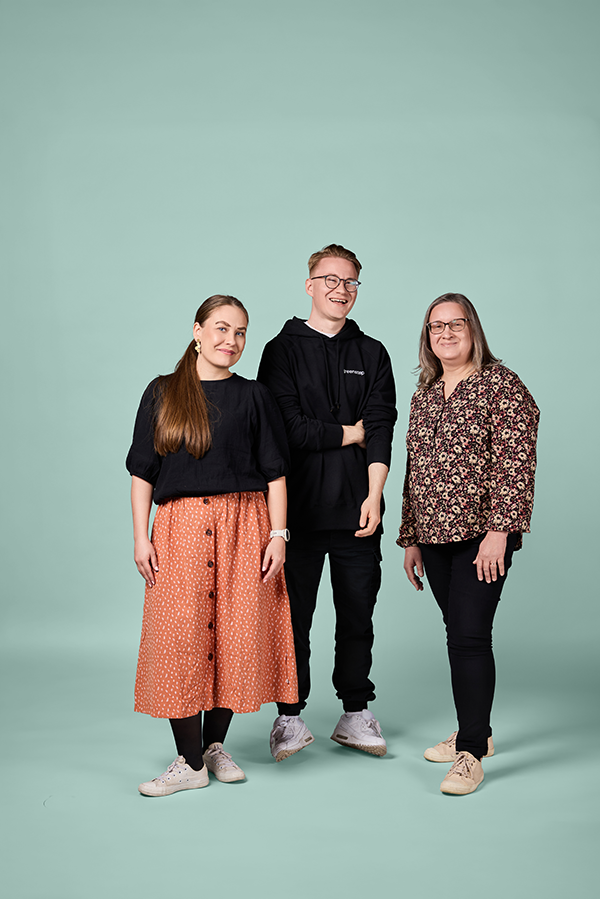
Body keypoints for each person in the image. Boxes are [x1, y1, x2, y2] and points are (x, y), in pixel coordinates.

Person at [126, 295, 298, 796]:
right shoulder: (162, 392)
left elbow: (276, 473)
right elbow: (142, 472)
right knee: (179, 638)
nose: (232, 340)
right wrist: (140, 537)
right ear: (197, 331)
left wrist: (278, 535)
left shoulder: (254, 396)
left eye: (241, 332)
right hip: (178, 527)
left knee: (235, 636)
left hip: (246, 525)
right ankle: (189, 762)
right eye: (222, 328)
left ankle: (211, 747)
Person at [258, 244, 397, 760]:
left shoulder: (372, 353)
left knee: (358, 615)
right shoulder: (281, 350)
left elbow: (381, 428)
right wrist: (348, 433)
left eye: (350, 282)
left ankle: (355, 712)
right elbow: (287, 429)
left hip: (359, 509)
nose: (341, 290)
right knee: (293, 619)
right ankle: (289, 717)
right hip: (295, 514)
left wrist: (375, 496)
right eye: (330, 280)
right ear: (310, 286)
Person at [398, 293, 539, 795]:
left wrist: (500, 531)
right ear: (427, 337)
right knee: (458, 631)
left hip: (484, 535)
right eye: (436, 326)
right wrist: (410, 537)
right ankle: (477, 728)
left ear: (473, 329)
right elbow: (415, 469)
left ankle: (471, 752)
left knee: (470, 636)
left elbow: (516, 459)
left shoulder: (502, 384)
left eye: (456, 324)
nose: (446, 333)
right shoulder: (425, 394)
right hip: (433, 535)